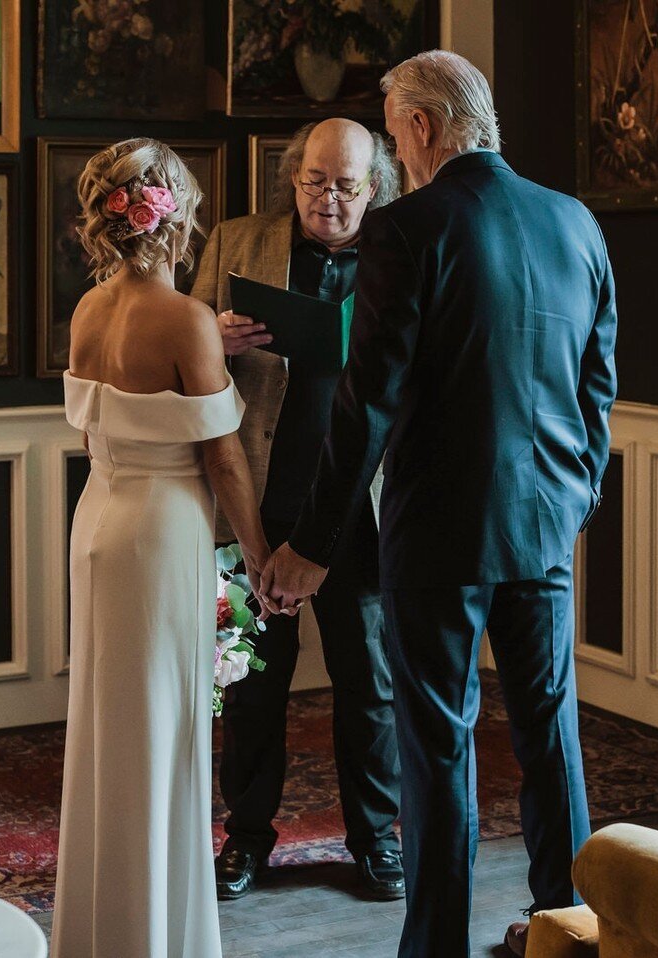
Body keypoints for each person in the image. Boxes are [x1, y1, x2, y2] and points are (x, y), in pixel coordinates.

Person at [262, 51, 618, 958]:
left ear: (422, 126)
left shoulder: (407, 228)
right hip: (542, 527)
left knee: (438, 746)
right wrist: (575, 496)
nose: (396, 152)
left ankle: (434, 948)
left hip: (439, 537)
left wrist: (312, 542)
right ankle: (566, 932)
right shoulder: (574, 222)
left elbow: (368, 401)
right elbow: (596, 386)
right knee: (550, 736)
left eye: (392, 134)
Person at [51, 138, 270, 958]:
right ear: (174, 214)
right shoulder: (183, 321)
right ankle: (156, 935)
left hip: (99, 519)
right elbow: (222, 454)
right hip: (161, 530)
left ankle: (101, 926)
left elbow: (99, 427)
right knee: (163, 727)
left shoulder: (88, 310)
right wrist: (254, 554)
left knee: (109, 724)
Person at [190, 118, 406, 902]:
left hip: (364, 509)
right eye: (315, 180)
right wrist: (214, 337)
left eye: (346, 185)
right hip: (254, 500)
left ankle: (375, 841)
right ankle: (245, 839)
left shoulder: (399, 249)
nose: (329, 198)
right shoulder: (236, 241)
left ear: (373, 187)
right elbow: (182, 354)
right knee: (250, 686)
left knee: (369, 685)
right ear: (293, 177)